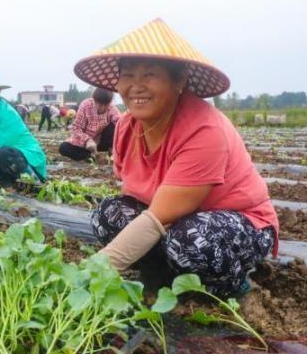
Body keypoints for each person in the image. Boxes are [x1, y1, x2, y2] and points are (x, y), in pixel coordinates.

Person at [74, 18, 278, 297]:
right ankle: (165, 273)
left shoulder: (204, 128)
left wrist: (88, 274)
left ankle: (231, 284)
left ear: (179, 80)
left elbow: (159, 216)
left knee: (190, 241)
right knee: (109, 214)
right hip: (171, 219)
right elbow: (134, 198)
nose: (136, 86)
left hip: (235, 221)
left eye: (149, 75)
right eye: (128, 75)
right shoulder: (125, 126)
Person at [58, 88, 120, 161]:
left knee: (115, 125)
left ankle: (112, 153)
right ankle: (90, 156)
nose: (102, 108)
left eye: (105, 105)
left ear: (109, 103)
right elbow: (76, 128)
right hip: (86, 144)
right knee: (63, 148)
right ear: (94, 99)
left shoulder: (112, 108)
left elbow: (122, 124)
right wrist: (88, 140)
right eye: (99, 104)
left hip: (102, 143)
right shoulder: (86, 105)